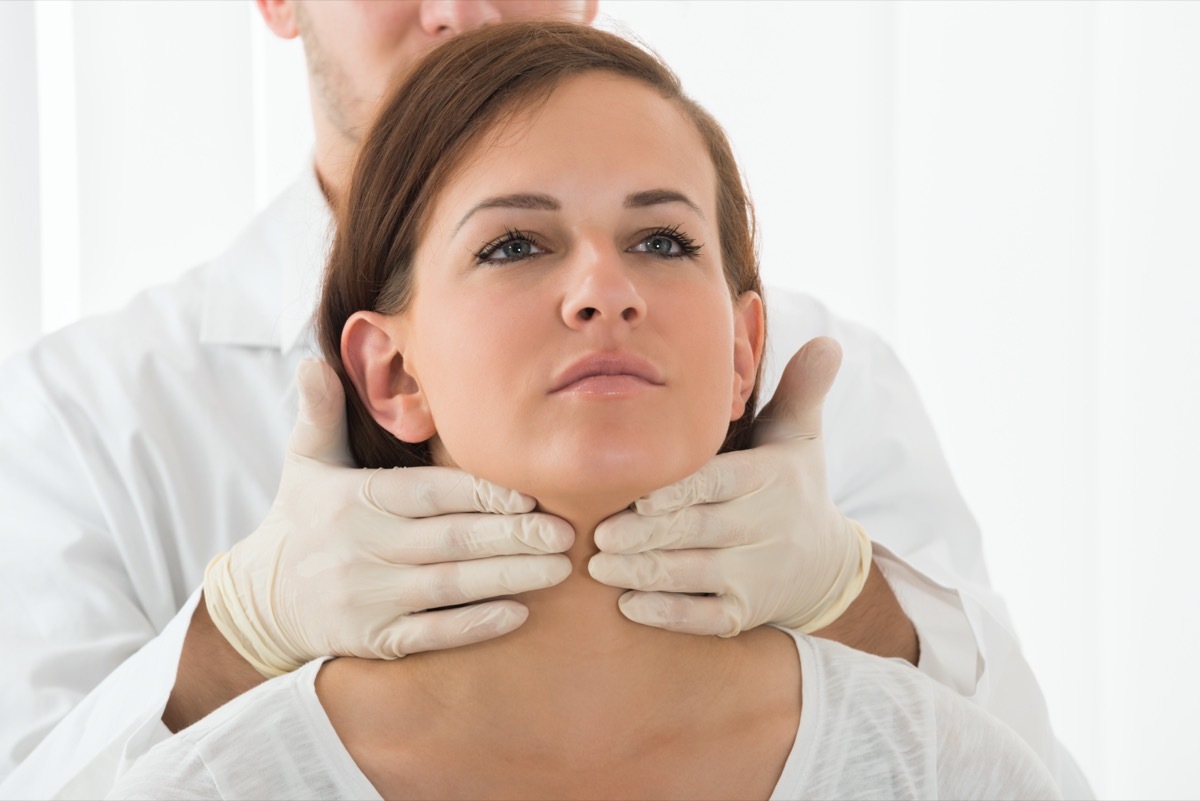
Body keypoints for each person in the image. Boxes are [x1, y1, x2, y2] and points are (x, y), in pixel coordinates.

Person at [0, 1, 1088, 798]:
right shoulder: (93, 408)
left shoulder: (819, 367)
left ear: (748, 350)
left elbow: (1027, 763)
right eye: (513, 245)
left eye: (662, 240)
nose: (464, 12)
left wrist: (858, 601)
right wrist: (233, 636)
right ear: (387, 370)